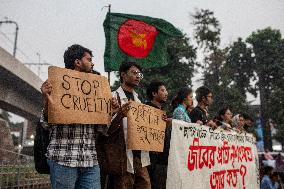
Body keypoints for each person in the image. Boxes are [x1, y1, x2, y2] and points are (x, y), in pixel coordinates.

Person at [40, 44, 118, 189]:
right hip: (63, 158)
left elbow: (101, 129)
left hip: (90, 160)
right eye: (89, 59)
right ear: (77, 62)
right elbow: (45, 123)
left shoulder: (95, 88)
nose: (92, 63)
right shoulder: (56, 84)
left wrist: (110, 112)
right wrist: (46, 99)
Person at [106, 61, 151, 189]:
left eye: (139, 74)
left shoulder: (138, 100)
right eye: (134, 72)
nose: (137, 76)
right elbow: (106, 128)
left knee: (145, 184)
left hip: (138, 155)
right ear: (123, 75)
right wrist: (120, 113)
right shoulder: (113, 97)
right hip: (121, 155)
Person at [145, 81, 170, 189]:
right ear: (154, 93)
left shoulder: (162, 112)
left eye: (166, 90)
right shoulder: (146, 109)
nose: (166, 93)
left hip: (161, 159)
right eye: (163, 90)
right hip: (149, 158)